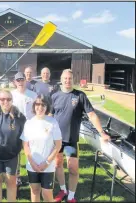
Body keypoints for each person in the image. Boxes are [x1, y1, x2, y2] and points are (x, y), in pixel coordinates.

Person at [51, 69, 111, 202]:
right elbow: (49, 116)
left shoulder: (80, 96)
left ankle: (71, 196)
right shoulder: (54, 96)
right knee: (57, 165)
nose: (67, 81)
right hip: (57, 140)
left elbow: (92, 115)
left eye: (70, 78)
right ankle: (63, 190)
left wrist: (102, 132)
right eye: (65, 78)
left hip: (71, 140)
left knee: (73, 169)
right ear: (61, 79)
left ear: (73, 80)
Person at [21, 96, 62, 202]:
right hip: (32, 165)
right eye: (37, 104)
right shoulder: (29, 123)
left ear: (47, 107)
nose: (40, 107)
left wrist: (47, 163)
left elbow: (58, 145)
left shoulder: (53, 122)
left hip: (47, 166)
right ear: (34, 106)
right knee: (35, 190)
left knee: (47, 193)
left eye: (43, 105)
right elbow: (26, 145)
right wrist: (32, 163)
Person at [11, 72, 37, 186]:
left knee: (30, 152)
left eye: (22, 80)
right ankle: (17, 177)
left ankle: (33, 175)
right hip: (15, 127)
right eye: (18, 80)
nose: (20, 82)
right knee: (16, 153)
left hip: (30, 128)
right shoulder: (11, 95)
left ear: (25, 81)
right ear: (15, 82)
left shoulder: (33, 95)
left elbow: (37, 111)